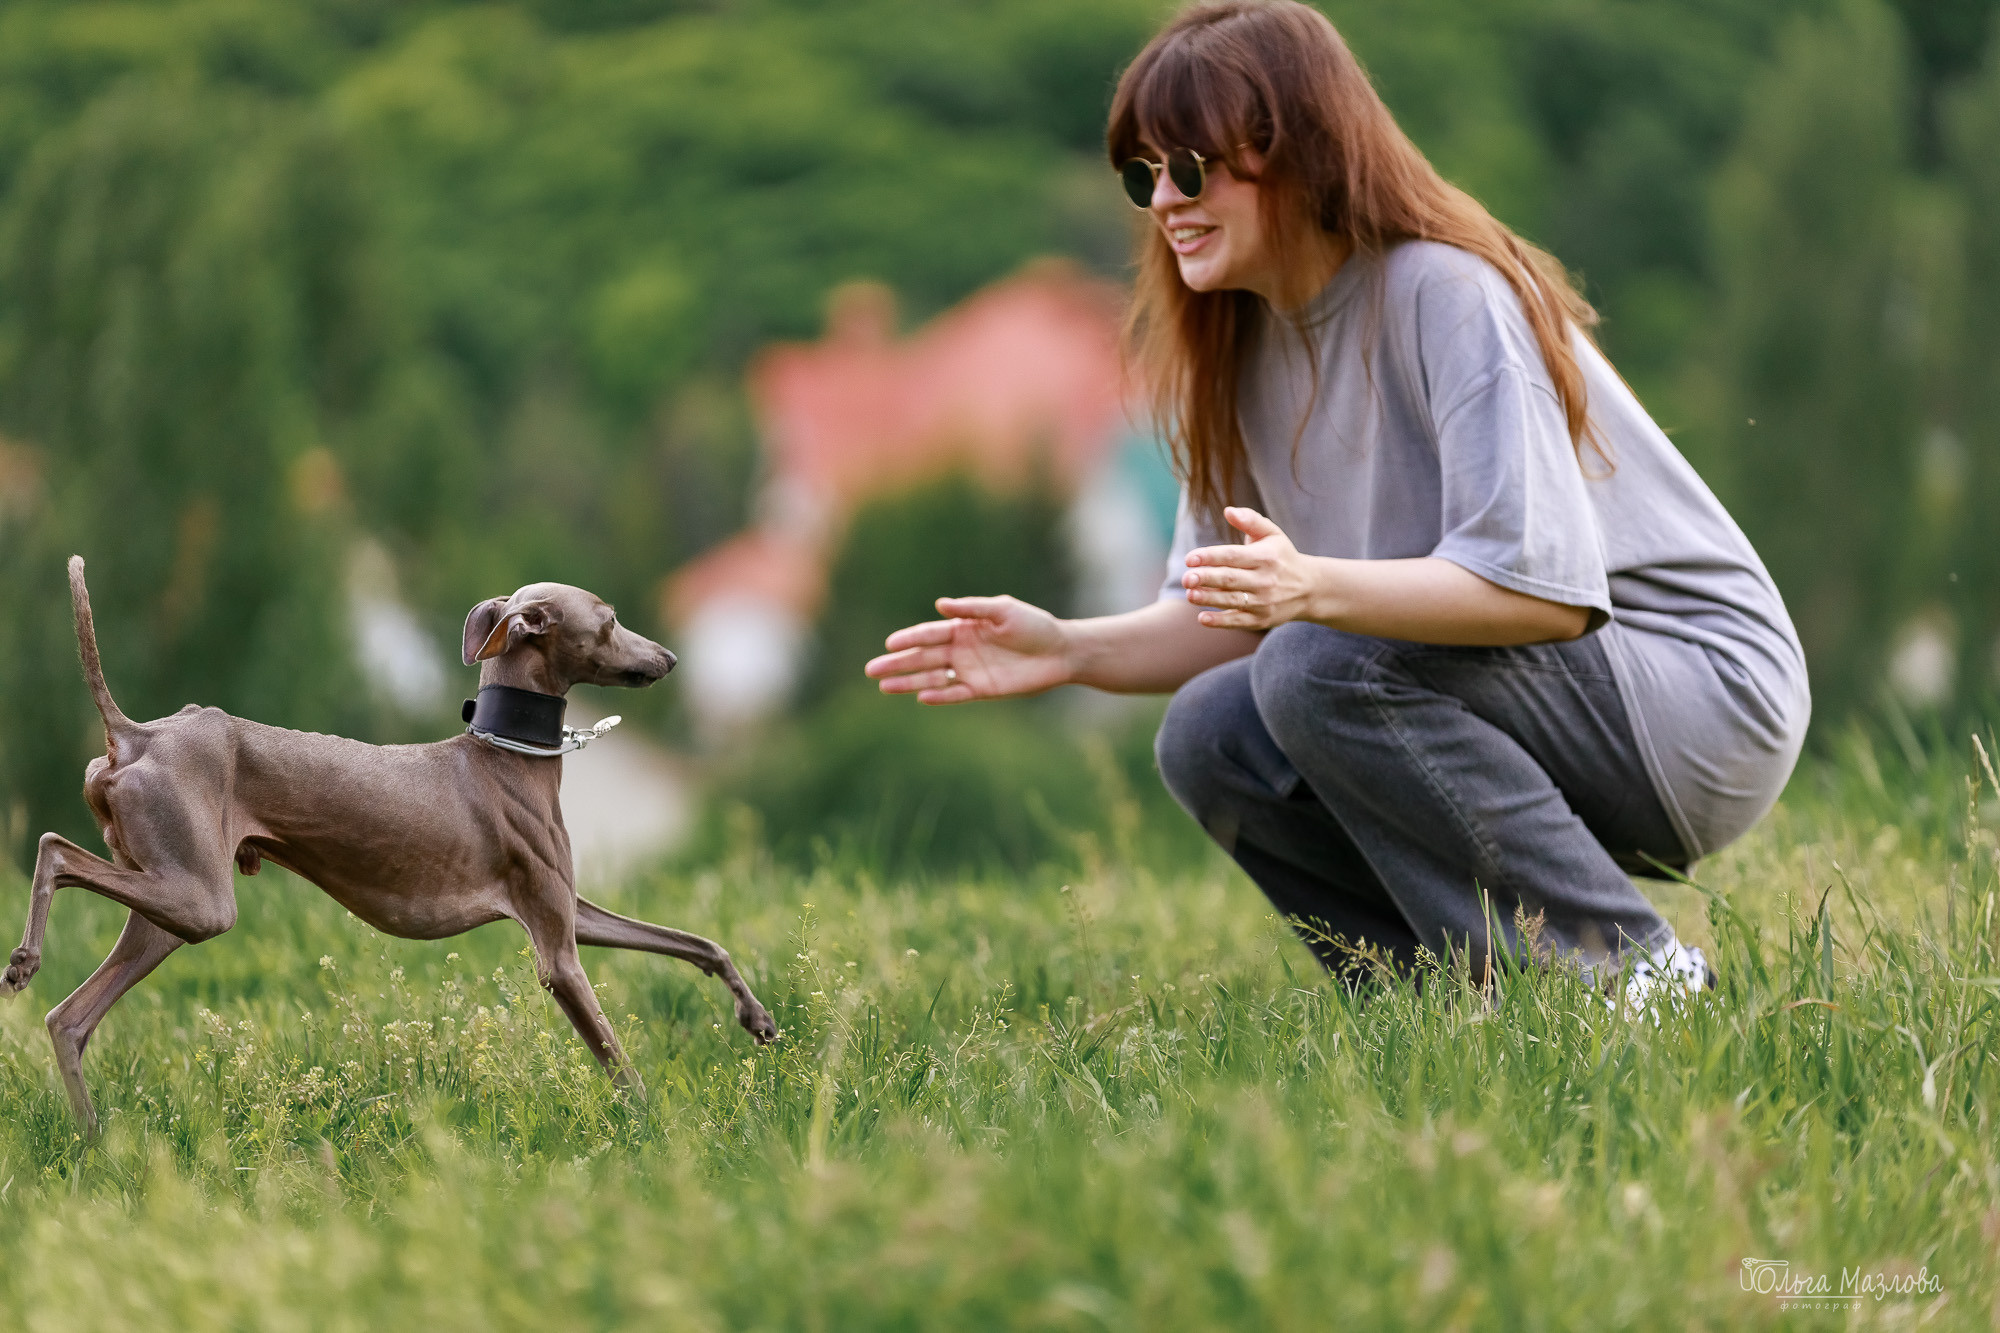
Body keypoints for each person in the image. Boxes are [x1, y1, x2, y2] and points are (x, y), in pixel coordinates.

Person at [864, 0, 1808, 1008]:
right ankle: (1457, 1005)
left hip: (1693, 703)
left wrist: (1310, 589)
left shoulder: (1444, 291)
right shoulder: (1226, 349)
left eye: (1189, 167)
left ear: (1299, 152)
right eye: (1142, 177)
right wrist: (1068, 650)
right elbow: (1226, 616)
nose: (1162, 202)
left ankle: (1638, 981)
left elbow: (1543, 596)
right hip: (1511, 692)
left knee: (1315, 664)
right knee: (1207, 733)